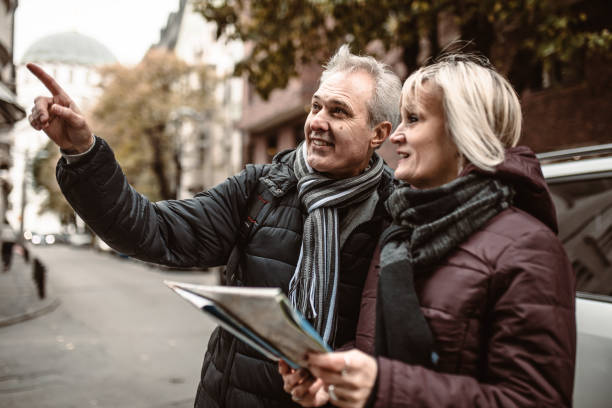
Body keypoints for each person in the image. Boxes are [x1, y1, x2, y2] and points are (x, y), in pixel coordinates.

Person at [26, 45, 402, 407]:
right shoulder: (261, 188)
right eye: (316, 106)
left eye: (339, 112)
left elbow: (407, 346)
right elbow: (152, 230)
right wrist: (83, 153)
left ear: (378, 134)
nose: (318, 121)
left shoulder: (398, 215)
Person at [281, 53, 576, 407]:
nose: (397, 136)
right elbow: (375, 350)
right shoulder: (401, 228)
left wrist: (383, 387)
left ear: (461, 131)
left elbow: (534, 399)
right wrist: (333, 377)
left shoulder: (529, 249)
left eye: (414, 120)